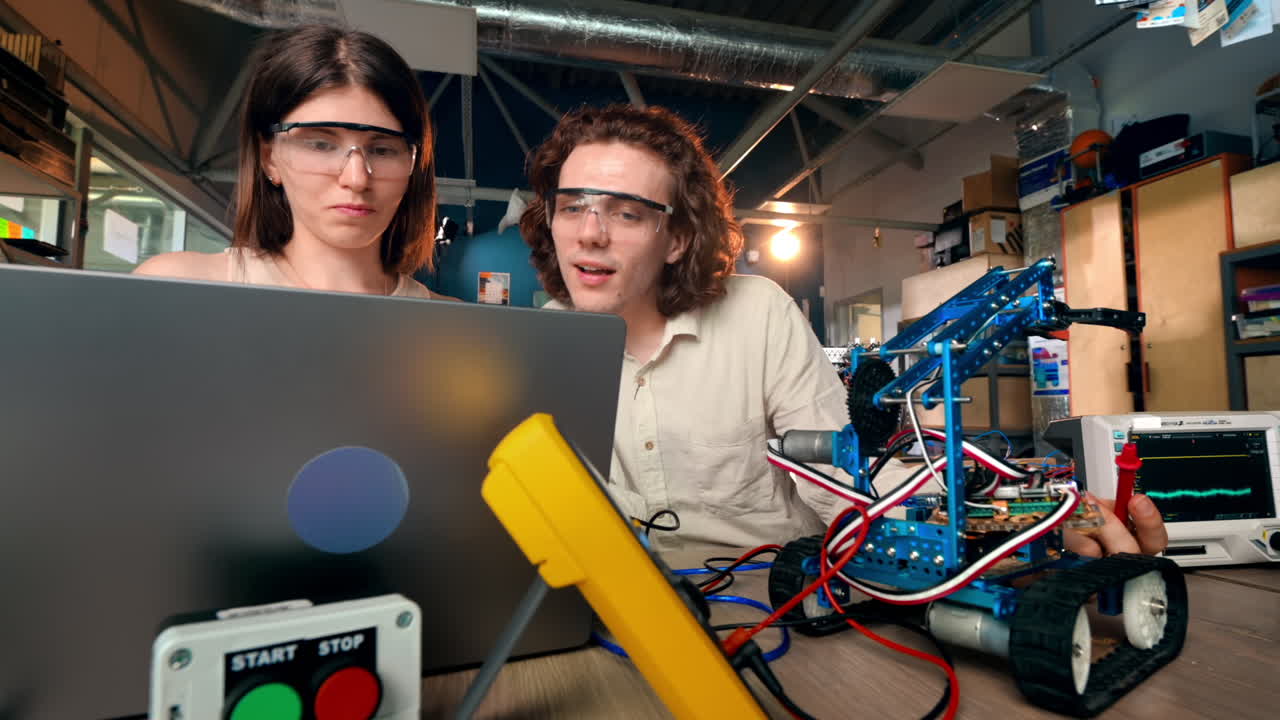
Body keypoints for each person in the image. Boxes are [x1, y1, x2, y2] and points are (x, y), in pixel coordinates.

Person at [520, 103, 1167, 558]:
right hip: (609, 611)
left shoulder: (757, 315)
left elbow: (847, 482)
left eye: (628, 213)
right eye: (572, 206)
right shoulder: (536, 346)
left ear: (678, 237)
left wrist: (1030, 529)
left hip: (773, 593)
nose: (590, 232)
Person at [135, 25, 451, 300]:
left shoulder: (453, 330)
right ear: (269, 157)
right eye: (321, 144)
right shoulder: (177, 290)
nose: (356, 178)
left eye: (382, 150)